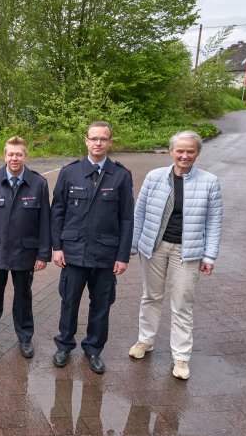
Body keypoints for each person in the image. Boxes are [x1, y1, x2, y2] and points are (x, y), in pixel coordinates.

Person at [128, 130, 223, 380]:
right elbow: (140, 213)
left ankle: (181, 357)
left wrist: (209, 256)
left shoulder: (209, 182)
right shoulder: (154, 177)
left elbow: (214, 222)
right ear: (171, 151)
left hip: (187, 251)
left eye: (190, 151)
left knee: (182, 303)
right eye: (179, 150)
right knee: (151, 296)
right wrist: (132, 244)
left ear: (197, 153)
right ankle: (145, 341)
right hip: (155, 246)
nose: (184, 155)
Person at [51, 121, 134, 373]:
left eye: (103, 139)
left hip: (106, 254)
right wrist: (57, 247)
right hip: (74, 252)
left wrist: (123, 255)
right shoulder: (69, 172)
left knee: (101, 304)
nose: (98, 143)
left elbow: (126, 218)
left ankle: (94, 349)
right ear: (86, 141)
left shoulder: (121, 175)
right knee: (69, 301)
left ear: (110, 142)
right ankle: (64, 345)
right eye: (94, 138)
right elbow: (58, 212)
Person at [0, 136, 50, 358]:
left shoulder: (39, 183)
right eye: (10, 154)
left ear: (26, 156)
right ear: (4, 155)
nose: (14, 158)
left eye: (19, 154)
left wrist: (43, 254)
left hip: (25, 251)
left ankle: (25, 336)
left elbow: (45, 222)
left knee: (23, 296)